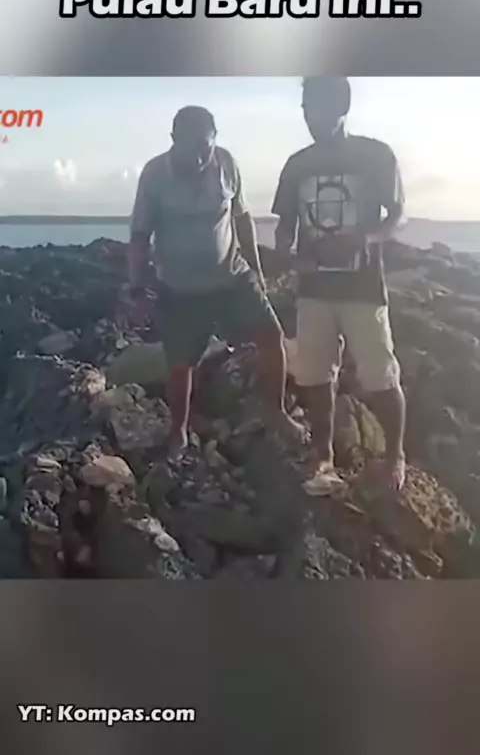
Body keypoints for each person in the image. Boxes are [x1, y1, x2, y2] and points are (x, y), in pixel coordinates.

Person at [128, 105, 304, 459]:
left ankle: (276, 411)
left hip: (232, 277)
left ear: (214, 140)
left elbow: (242, 217)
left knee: (272, 337)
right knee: (181, 363)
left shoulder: (226, 164)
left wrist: (256, 270)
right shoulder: (155, 174)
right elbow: (140, 234)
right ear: (173, 139)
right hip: (179, 288)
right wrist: (137, 286)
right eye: (188, 147)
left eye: (203, 147)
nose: (197, 157)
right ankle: (178, 429)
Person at [272, 76, 407, 493]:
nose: (311, 119)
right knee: (314, 375)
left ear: (342, 107)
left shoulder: (376, 155)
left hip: (363, 289)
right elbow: (285, 225)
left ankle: (395, 455)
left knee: (380, 375)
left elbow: (396, 215)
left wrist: (365, 238)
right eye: (306, 110)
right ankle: (322, 453)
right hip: (314, 289)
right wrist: (288, 255)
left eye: (318, 109)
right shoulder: (297, 164)